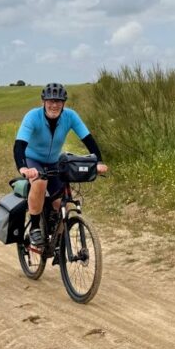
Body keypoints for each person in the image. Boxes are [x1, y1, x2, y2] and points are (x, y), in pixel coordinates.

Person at [13, 83, 108, 247]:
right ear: (43, 101)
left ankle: (57, 242)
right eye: (50, 101)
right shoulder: (32, 117)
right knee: (40, 181)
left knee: (64, 204)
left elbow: (88, 139)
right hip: (33, 160)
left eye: (58, 101)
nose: (54, 105)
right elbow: (19, 145)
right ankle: (35, 227)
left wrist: (98, 161)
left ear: (64, 103)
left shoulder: (70, 116)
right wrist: (24, 168)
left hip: (54, 161)